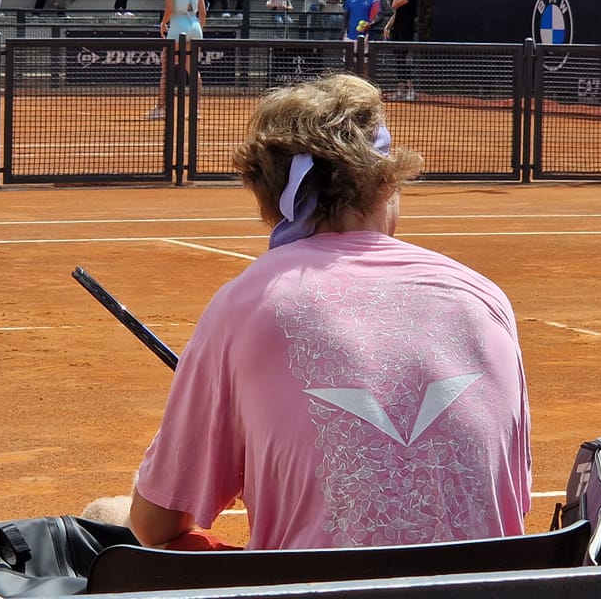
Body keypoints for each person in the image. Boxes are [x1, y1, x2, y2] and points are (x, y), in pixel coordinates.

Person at [130, 73, 532, 551]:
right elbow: (508, 497)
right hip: (488, 585)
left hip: (316, 587)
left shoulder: (247, 301)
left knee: (109, 517)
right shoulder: (482, 295)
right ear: (384, 182)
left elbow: (156, 526)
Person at [147, 0, 206, 121]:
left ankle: (160, 108)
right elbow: (203, 13)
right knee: (193, 71)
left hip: (178, 27)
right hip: (195, 28)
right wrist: (198, 30)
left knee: (167, 69)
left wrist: (163, 23)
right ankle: (195, 110)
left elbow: (169, 9)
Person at [383, 0, 417, 101]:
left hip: (406, 32)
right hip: (397, 31)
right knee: (399, 60)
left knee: (406, 61)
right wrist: (387, 26)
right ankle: (401, 90)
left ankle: (411, 90)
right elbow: (397, 13)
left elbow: (394, 4)